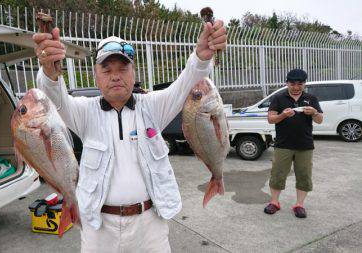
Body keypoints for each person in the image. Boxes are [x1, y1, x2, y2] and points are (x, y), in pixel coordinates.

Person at [32, 19, 227, 252]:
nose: (115, 76)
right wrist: (49, 72)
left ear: (133, 72)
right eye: (107, 69)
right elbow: (53, 99)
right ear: (96, 76)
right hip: (98, 226)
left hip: (150, 224)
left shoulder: (153, 106)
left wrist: (201, 57)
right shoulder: (84, 111)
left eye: (123, 68)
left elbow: (186, 84)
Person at [264, 69, 323, 218]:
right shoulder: (278, 98)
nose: (296, 87)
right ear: (287, 83)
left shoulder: (311, 98)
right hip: (283, 144)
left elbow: (319, 119)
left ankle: (299, 205)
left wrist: (314, 113)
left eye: (300, 84)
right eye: (292, 84)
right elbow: (271, 119)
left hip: (305, 145)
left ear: (304, 84)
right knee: (277, 174)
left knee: (304, 175)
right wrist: (283, 115)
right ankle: (274, 202)